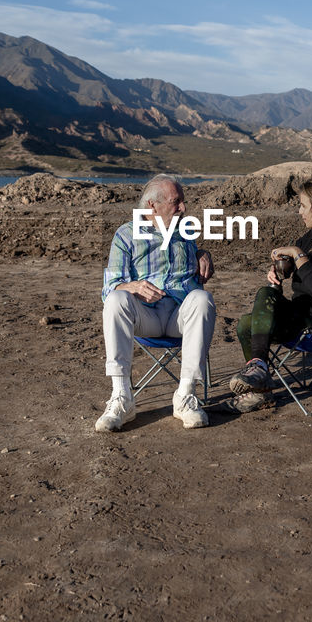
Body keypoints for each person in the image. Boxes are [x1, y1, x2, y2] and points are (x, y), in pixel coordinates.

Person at [96, 174, 215, 432]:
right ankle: (122, 398)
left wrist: (203, 253)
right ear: (152, 205)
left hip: (179, 318)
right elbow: (109, 287)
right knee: (116, 299)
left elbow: (196, 259)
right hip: (146, 316)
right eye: (176, 202)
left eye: (183, 202)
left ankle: (185, 396)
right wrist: (133, 287)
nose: (183, 208)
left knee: (203, 299)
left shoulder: (186, 231)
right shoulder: (126, 234)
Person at [229, 177, 312, 403]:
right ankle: (260, 390)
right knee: (245, 324)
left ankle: (258, 370)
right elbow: (294, 266)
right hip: (302, 315)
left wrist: (297, 252)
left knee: (265, 294)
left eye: (303, 206)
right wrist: (279, 269)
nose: (299, 211)